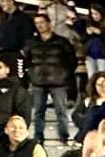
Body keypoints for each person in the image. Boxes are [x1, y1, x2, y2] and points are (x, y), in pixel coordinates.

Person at [23, 14, 80, 144]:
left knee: (61, 111)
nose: (39, 26)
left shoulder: (62, 42)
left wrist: (65, 74)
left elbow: (72, 59)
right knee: (38, 112)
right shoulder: (31, 42)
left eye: (42, 22)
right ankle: (38, 137)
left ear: (49, 23)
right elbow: (23, 59)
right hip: (38, 81)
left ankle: (63, 136)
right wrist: (29, 74)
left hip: (58, 82)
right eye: (37, 23)